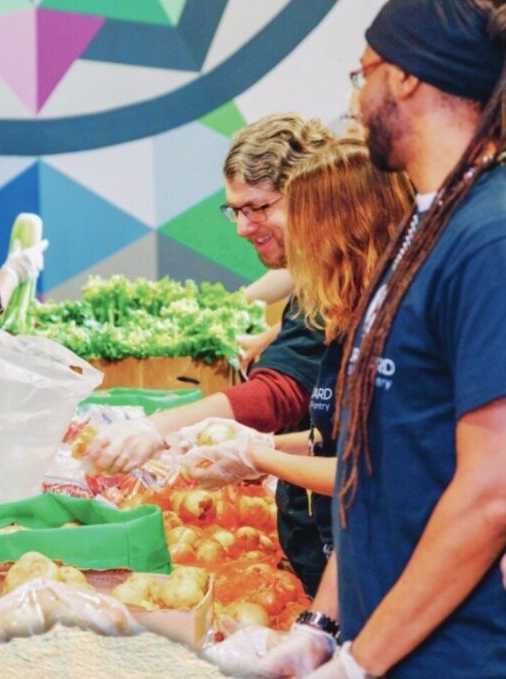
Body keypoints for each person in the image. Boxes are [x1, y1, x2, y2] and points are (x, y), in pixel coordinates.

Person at [260, 1, 506, 677]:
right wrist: (321, 626)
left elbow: (491, 492)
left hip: (454, 656)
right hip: (383, 642)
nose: (354, 99)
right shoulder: (423, 227)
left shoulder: (490, 236)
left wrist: (359, 661)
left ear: (403, 79)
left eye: (361, 73)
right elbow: (378, 466)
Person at [84, 113, 334, 595]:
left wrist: (160, 429)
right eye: (235, 210)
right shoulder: (312, 279)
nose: (243, 226)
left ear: (308, 192)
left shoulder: (334, 280)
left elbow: (281, 395)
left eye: (257, 207)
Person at [177, 138, 413, 558]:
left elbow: (370, 472)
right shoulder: (349, 314)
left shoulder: (402, 325)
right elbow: (336, 441)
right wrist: (260, 446)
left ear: (349, 229)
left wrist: (256, 455)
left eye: (261, 209)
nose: (246, 228)